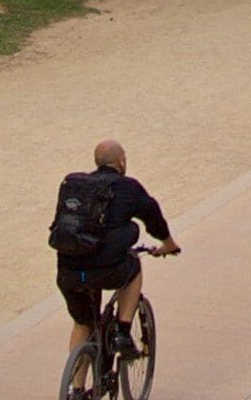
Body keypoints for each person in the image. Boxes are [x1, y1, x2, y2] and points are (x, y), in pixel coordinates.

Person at [54, 139, 175, 375]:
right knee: (133, 268)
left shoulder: (75, 188)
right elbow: (153, 218)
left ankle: (76, 393)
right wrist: (169, 244)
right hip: (108, 270)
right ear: (121, 161)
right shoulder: (128, 187)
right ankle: (122, 330)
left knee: (83, 323)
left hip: (69, 272)